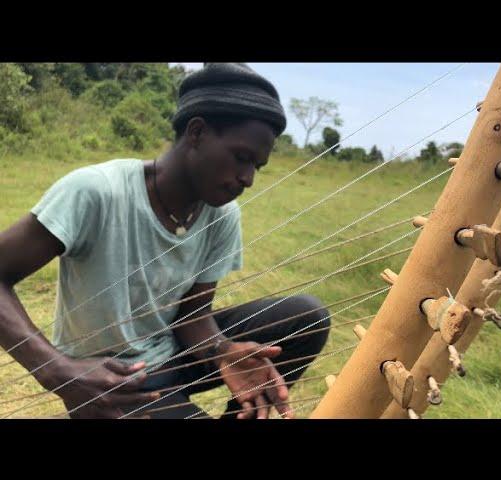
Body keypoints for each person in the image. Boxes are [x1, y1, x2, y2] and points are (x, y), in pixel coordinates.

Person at [0, 63, 331, 419]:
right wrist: (59, 371)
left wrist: (222, 350)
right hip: (109, 378)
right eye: (241, 158)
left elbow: (192, 314)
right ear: (197, 132)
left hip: (170, 353)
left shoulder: (222, 214)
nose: (247, 178)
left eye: (257, 167)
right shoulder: (96, 192)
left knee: (306, 316)